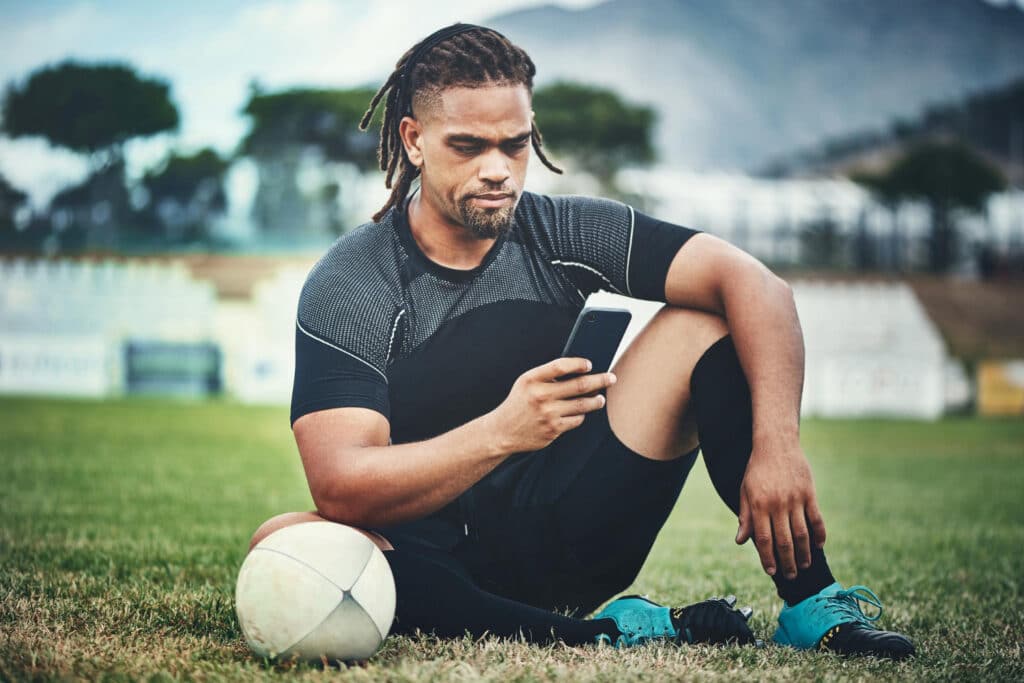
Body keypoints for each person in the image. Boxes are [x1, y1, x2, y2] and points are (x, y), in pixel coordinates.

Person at [251, 23, 914, 658]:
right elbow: (340, 484)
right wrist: (503, 431)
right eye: (468, 145)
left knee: (706, 320)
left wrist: (778, 446)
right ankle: (599, 633)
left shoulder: (560, 233)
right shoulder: (353, 279)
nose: (499, 169)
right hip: (425, 563)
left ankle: (813, 604)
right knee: (280, 538)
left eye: (514, 144)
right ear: (414, 139)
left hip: (566, 527)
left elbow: (758, 285)